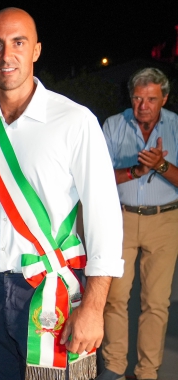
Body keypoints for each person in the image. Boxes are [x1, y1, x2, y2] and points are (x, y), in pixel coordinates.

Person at [0, 8, 124, 380]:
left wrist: (94, 307)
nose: (6, 55)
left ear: (36, 51)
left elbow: (104, 217)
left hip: (50, 290)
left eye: (18, 42)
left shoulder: (75, 121)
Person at [99, 67, 178, 380]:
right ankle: (115, 366)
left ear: (164, 99)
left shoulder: (176, 126)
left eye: (151, 99)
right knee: (115, 297)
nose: (143, 105)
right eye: (137, 98)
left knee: (156, 303)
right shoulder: (114, 125)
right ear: (130, 97)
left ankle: (147, 372)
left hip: (165, 219)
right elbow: (100, 178)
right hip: (122, 219)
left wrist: (160, 165)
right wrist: (134, 172)